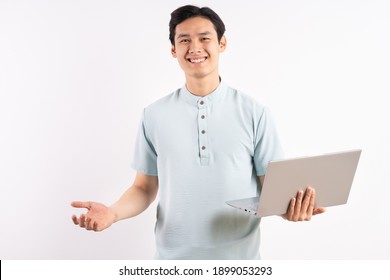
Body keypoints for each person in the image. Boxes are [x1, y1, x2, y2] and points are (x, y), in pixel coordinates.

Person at [71, 5, 325, 259]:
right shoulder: (154, 115)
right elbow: (143, 187)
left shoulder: (255, 113)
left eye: (205, 38)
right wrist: (113, 213)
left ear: (222, 43)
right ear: (173, 50)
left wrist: (291, 209)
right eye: (184, 40)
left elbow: (273, 190)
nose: (195, 48)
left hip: (240, 263)